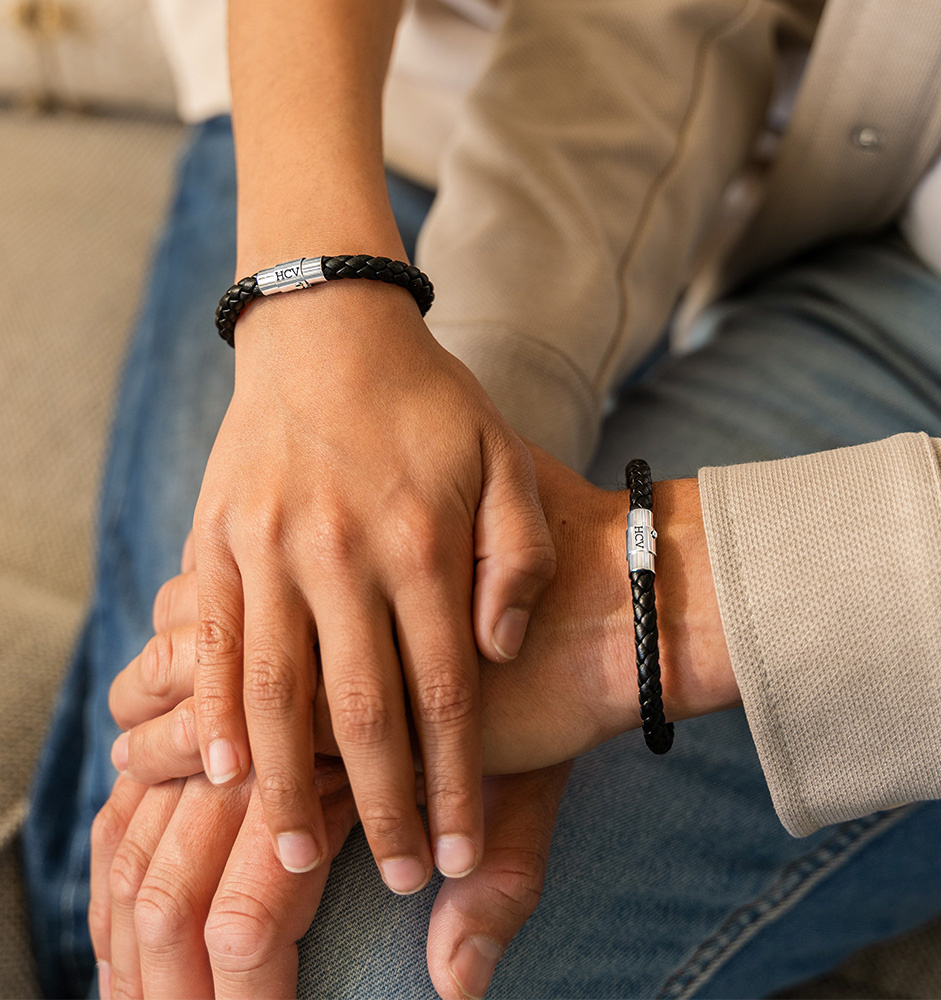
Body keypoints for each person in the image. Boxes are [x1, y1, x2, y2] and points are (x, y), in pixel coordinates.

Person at [26, 0, 941, 997]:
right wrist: (462, 508)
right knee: (161, 891)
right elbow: (659, 25)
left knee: (352, 970)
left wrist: (661, 607)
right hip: (843, 224)